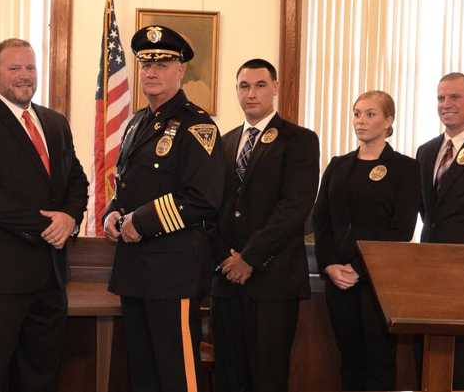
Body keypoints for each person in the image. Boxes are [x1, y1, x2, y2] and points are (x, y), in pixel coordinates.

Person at [0, 38, 88, 392]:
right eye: (14, 68)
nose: (24, 75)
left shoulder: (55, 122)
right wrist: (50, 225)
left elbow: (77, 179)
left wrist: (70, 218)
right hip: (0, 280)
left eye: (30, 67)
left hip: (51, 277)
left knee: (42, 374)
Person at [103, 25, 225, 392]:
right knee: (142, 370)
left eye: (163, 62)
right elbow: (127, 183)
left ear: (181, 70)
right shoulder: (136, 123)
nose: (152, 71)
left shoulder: (198, 125)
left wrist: (141, 221)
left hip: (174, 269)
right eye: (146, 63)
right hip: (135, 267)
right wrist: (113, 211)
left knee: (176, 371)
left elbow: (204, 198)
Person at [211, 58, 320, 392]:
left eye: (260, 85)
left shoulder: (299, 139)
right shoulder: (225, 142)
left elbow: (295, 207)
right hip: (227, 279)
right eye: (244, 86)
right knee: (230, 374)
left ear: (275, 88)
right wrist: (228, 259)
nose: (251, 94)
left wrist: (250, 258)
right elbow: (214, 208)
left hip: (273, 280)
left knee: (267, 376)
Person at [313, 91, 420, 390]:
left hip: (378, 281)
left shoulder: (406, 168)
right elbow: (321, 221)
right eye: (357, 113)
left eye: (370, 114)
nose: (361, 120)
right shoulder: (338, 164)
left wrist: (360, 268)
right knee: (349, 358)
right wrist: (331, 264)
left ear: (388, 121)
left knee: (379, 359)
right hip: (338, 279)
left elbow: (401, 229)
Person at [416, 72, 464, 390]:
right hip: (431, 269)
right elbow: (429, 214)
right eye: (441, 98)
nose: (446, 104)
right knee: (433, 357)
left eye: (455, 97)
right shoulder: (426, 152)